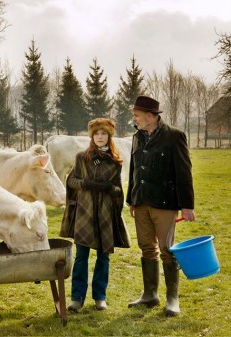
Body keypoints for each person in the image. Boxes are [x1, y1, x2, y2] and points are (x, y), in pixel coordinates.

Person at [126, 95, 196, 317]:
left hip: (165, 202)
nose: (134, 118)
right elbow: (133, 170)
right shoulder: (137, 136)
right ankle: (150, 294)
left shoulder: (174, 136)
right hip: (141, 201)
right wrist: (131, 198)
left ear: (150, 116)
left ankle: (172, 299)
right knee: (147, 247)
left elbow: (184, 171)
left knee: (166, 250)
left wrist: (187, 205)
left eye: (136, 115)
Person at [60, 118, 131, 312]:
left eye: (104, 134)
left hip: (106, 213)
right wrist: (87, 184)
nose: (100, 137)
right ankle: (77, 298)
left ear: (109, 136)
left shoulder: (116, 162)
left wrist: (110, 189)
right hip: (85, 211)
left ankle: (100, 297)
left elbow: (118, 189)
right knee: (81, 256)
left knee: (103, 257)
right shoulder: (82, 157)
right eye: (96, 134)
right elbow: (71, 181)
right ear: (92, 136)